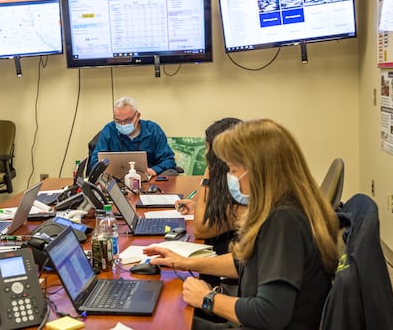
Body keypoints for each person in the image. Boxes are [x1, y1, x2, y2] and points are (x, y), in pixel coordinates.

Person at [144, 119, 339, 329]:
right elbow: (245, 263)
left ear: (257, 171)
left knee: (159, 320)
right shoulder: (285, 206)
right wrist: (184, 262)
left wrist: (207, 298)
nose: (231, 177)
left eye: (233, 170)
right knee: (166, 316)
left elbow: (270, 314)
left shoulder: (283, 221)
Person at [176, 118, 245, 254]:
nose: (206, 155)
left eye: (208, 149)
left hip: (227, 262)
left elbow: (201, 228)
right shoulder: (230, 181)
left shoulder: (240, 185)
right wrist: (198, 209)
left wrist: (207, 175)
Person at [90, 96, 177, 176]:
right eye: (118, 120)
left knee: (171, 173)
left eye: (127, 120)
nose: (122, 124)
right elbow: (95, 161)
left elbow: (168, 160)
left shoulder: (153, 130)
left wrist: (155, 170)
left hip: (149, 179)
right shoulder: (109, 130)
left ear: (138, 116)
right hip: (116, 181)